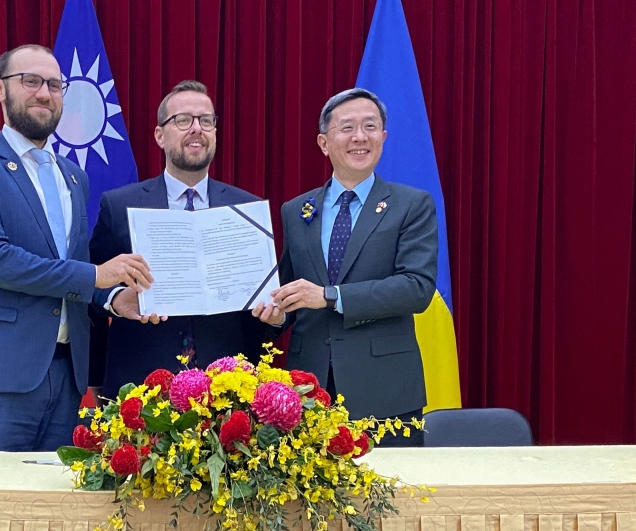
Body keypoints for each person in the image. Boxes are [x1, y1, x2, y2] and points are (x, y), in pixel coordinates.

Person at [0, 44, 155, 451]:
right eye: (31, 81)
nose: (45, 93)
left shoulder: (74, 178)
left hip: (67, 378)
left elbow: (71, 269)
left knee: (57, 512)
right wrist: (96, 275)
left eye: (55, 85)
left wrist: (112, 299)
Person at [253, 88, 437, 446]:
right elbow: (293, 289)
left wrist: (330, 296)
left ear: (383, 138)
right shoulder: (297, 210)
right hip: (308, 391)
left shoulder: (411, 205)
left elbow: (417, 288)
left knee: (393, 500)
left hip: (385, 392)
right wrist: (277, 314)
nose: (359, 137)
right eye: (347, 127)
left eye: (370, 127)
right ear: (324, 142)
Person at [89, 80, 267, 401]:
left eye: (206, 120)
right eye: (183, 120)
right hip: (140, 387)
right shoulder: (119, 206)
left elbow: (260, 310)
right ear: (160, 135)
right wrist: (116, 299)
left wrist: (272, 310)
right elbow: (89, 284)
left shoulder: (246, 210)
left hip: (227, 390)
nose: (196, 129)